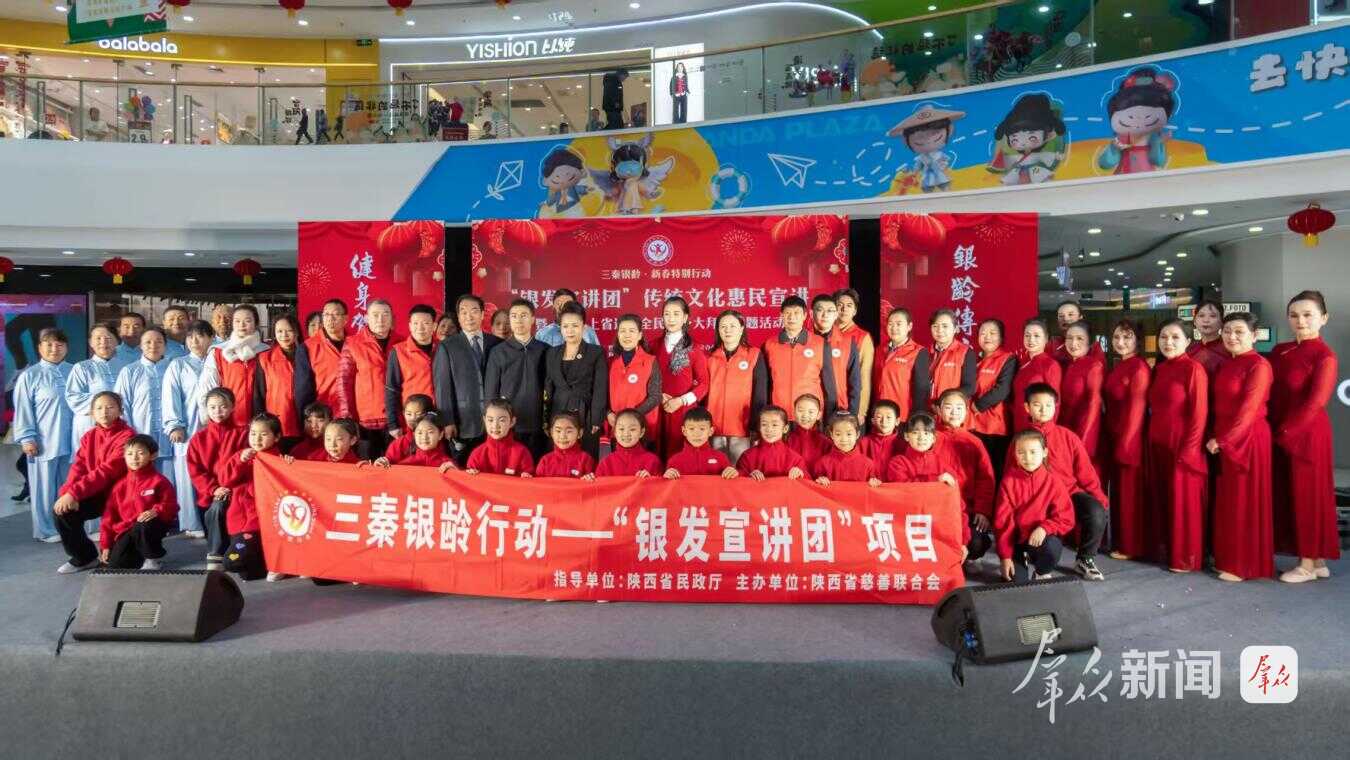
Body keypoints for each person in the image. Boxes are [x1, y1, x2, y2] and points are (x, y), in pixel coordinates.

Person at [1271, 291, 1339, 583]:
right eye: (1294, 315)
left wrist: (1286, 434)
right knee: (1290, 494)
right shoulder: (1281, 351)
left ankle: (1308, 564)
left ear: (1324, 318)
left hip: (1308, 433)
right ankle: (1318, 559)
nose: (1300, 321)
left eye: (1308, 315)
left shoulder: (1325, 356)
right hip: (1281, 430)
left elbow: (1316, 402)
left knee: (1309, 496)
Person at [1207, 312, 1274, 582]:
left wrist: (1223, 440)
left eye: (1239, 332)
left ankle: (1244, 565)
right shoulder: (1228, 364)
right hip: (1228, 438)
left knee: (1245, 502)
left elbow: (1249, 410)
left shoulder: (1259, 365)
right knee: (1229, 502)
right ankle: (1229, 559)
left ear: (1254, 336)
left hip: (1249, 439)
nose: (1231, 336)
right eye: (1227, 331)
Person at [1017, 383, 1108, 581]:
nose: (1043, 410)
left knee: (1096, 511)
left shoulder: (1068, 436)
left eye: (1048, 405)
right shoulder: (1021, 439)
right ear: (1027, 407)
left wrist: (1098, 496)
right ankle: (1027, 553)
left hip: (1068, 493)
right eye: (1037, 405)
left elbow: (1086, 471)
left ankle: (1085, 559)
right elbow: (1012, 474)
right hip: (1036, 497)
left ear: (1055, 407)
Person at [1147, 320, 1208, 572]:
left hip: (1182, 445)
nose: (1168, 342)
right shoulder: (1160, 369)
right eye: (1163, 337)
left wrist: (1189, 450)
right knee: (1165, 500)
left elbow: (1199, 414)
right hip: (1158, 444)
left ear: (1188, 341)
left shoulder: (1193, 369)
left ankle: (1186, 558)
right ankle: (1168, 550)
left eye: (1175, 337)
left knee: (1184, 503)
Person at [51, 392, 135, 574]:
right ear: (92, 413)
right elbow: (78, 467)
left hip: (120, 496)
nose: (104, 412)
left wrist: (75, 493)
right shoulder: (89, 436)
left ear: (120, 410)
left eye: (110, 407)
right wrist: (68, 493)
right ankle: (84, 557)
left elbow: (106, 471)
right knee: (63, 512)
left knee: (117, 563)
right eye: (99, 408)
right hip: (95, 492)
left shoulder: (128, 437)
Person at [13, 328, 73, 542]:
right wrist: (27, 438)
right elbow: (23, 409)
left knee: (69, 486)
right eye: (49, 344)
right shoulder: (30, 375)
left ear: (66, 348)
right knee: (43, 488)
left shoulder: (75, 371)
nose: (54, 349)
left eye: (59, 345)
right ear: (39, 348)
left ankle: (68, 526)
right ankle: (46, 530)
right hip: (44, 442)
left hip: (73, 442)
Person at [995, 429, 1077, 582]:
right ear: (1015, 455)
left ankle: (1041, 572)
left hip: (1042, 540)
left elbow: (1066, 518)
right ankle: (1021, 560)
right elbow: (1003, 523)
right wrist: (1005, 556)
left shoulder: (1054, 482)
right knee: (1015, 583)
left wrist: (1045, 528)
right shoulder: (1008, 482)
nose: (1027, 458)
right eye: (1021, 452)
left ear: (1044, 452)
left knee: (1052, 548)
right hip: (1016, 542)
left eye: (1033, 452)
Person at [1102, 319, 1151, 563]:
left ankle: (1132, 545)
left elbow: (1136, 411)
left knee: (1131, 496)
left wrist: (1126, 444)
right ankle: (1122, 541)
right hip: (1114, 436)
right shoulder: (1119, 366)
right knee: (1120, 495)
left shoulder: (1139, 368)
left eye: (1127, 337)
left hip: (1130, 440)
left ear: (1138, 341)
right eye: (1116, 337)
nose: (1120, 342)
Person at [434, 294, 503, 464]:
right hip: (463, 420)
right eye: (463, 312)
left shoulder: (497, 343)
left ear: (482, 314)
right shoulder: (447, 346)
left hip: (495, 421)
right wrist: (448, 421)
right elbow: (443, 388)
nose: (469, 317)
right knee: (464, 468)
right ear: (458, 317)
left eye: (474, 311)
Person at [216, 413, 284, 581]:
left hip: (260, 526)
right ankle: (264, 561)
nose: (257, 439)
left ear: (277, 437)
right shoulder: (241, 455)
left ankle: (276, 561)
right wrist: (239, 461)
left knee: (231, 561)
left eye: (263, 434)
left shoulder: (279, 460)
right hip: (237, 524)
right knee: (247, 573)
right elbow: (224, 480)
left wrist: (286, 463)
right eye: (253, 433)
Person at [163, 320, 215, 535]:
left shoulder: (217, 361)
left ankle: (214, 522)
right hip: (188, 428)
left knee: (213, 474)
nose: (194, 341)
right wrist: (175, 425)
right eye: (190, 337)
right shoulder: (178, 364)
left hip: (213, 428)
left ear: (211, 338)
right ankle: (191, 524)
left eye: (200, 336)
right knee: (187, 476)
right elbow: (170, 397)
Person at [97, 434, 178, 571]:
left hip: (150, 526)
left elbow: (172, 505)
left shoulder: (159, 481)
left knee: (144, 524)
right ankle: (139, 555)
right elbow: (108, 517)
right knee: (115, 564)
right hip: (127, 529)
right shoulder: (119, 486)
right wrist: (106, 545)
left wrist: (156, 511)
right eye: (129, 454)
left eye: (140, 453)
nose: (134, 458)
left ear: (152, 455)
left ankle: (152, 558)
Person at [755, 296, 837, 425]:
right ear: (781, 315)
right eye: (787, 313)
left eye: (796, 313)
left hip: (809, 415)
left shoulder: (820, 344)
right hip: (779, 415)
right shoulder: (769, 345)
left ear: (805, 315)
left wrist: (830, 417)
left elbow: (829, 384)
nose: (791, 317)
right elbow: (764, 385)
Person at [188, 388, 246, 570]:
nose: (217, 411)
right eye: (212, 407)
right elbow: (195, 471)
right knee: (216, 506)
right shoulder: (198, 439)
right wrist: (214, 489)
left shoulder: (243, 434)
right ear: (206, 409)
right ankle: (216, 553)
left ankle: (218, 555)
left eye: (223, 406)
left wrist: (229, 487)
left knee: (221, 506)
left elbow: (247, 466)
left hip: (236, 491)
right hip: (210, 495)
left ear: (233, 407)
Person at [935, 391, 996, 561]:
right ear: (939, 410)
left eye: (959, 408)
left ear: (966, 411)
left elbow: (986, 479)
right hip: (936, 506)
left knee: (976, 543)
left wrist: (982, 510)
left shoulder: (974, 442)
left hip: (966, 509)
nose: (954, 412)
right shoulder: (929, 437)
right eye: (948, 407)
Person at [485, 298, 550, 458]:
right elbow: (491, 392)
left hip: (538, 425)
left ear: (533, 319)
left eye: (523, 315)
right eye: (514, 316)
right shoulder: (498, 352)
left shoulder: (545, 350)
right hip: (508, 426)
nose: (518, 320)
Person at [545, 302, 609, 459]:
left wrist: (596, 419)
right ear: (560, 328)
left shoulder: (595, 352)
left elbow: (600, 388)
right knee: (558, 458)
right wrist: (545, 419)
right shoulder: (552, 353)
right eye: (565, 326)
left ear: (584, 327)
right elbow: (548, 387)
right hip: (557, 412)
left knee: (585, 457)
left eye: (575, 325)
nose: (570, 330)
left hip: (585, 413)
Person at [114, 328, 175, 489]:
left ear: (165, 345)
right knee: (141, 484)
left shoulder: (173, 368)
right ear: (140, 345)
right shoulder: (129, 371)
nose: (153, 345)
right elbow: (122, 407)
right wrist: (130, 436)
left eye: (159, 341)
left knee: (169, 483)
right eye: (148, 342)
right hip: (140, 436)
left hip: (170, 438)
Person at [337, 299, 396, 459]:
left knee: (395, 466)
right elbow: (344, 381)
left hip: (395, 419)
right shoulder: (353, 343)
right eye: (375, 315)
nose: (380, 319)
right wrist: (347, 416)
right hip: (365, 420)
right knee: (367, 467)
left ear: (392, 318)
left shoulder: (401, 342)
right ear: (366, 318)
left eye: (385, 314)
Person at [193, 304, 269, 426]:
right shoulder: (219, 352)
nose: (242, 325)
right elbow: (207, 387)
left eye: (247, 321)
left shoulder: (266, 351)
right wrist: (208, 417)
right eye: (237, 321)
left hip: (260, 420)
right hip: (227, 418)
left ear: (256, 323)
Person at [652, 296, 708, 460]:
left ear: (685, 318)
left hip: (684, 411)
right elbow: (645, 378)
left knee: (681, 458)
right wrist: (657, 395)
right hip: (657, 408)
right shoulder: (652, 346)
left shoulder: (695, 348)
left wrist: (681, 401)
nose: (671, 318)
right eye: (667, 314)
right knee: (656, 455)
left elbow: (704, 384)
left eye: (676, 314)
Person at [706, 310, 758, 463]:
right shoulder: (709, 357)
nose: (727, 330)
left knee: (740, 470)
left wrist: (754, 425)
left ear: (741, 329)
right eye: (723, 326)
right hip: (713, 428)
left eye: (732, 326)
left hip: (742, 428)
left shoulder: (754, 355)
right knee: (715, 471)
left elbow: (759, 393)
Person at [969, 318, 1017, 479]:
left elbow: (1002, 389)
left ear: (1001, 337)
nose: (987, 337)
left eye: (992, 333)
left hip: (995, 426)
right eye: (983, 333)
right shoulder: (975, 360)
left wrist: (977, 406)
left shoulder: (1008, 359)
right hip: (973, 424)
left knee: (993, 470)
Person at [385, 304, 440, 442]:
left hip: (440, 417)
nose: (420, 328)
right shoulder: (398, 351)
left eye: (426, 323)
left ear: (434, 326)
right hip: (412, 419)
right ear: (409, 326)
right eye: (415, 323)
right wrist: (393, 423)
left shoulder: (443, 348)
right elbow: (392, 389)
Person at [607, 313, 662, 447]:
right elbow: (602, 394)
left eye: (631, 331)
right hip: (618, 428)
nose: (627, 335)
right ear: (618, 334)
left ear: (639, 335)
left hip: (643, 427)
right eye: (623, 331)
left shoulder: (650, 361)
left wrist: (631, 417)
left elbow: (655, 396)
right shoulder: (610, 362)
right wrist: (608, 413)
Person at [65, 324, 120, 453]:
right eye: (98, 338)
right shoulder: (82, 367)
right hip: (89, 425)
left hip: (119, 426)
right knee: (90, 459)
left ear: (117, 341)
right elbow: (73, 397)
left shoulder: (126, 367)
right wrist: (106, 402)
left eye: (108, 338)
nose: (103, 342)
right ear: (90, 342)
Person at [1058, 321, 1105, 461]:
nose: (1073, 343)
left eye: (1080, 338)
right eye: (1069, 338)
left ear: (1089, 343)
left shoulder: (1094, 366)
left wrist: (1084, 443)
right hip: (1063, 430)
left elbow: (1094, 405)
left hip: (1083, 433)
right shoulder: (1064, 365)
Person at [295, 298, 349, 418]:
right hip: (324, 416)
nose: (330, 319)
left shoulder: (355, 344)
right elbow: (303, 390)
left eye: (335, 314)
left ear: (346, 319)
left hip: (353, 416)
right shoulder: (308, 347)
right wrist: (308, 419)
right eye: (326, 315)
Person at [810, 294, 862, 419]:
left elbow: (855, 382)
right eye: (820, 310)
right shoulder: (803, 342)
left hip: (839, 409)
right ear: (811, 313)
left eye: (830, 311)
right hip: (809, 409)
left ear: (836, 314)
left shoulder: (848, 343)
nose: (825, 315)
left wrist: (852, 413)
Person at [873, 307, 929, 421]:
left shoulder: (918, 351)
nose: (894, 328)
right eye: (890, 324)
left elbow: (921, 389)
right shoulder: (879, 349)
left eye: (899, 324)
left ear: (909, 326)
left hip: (902, 415)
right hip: (880, 414)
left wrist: (916, 416)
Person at [255, 314, 302, 446]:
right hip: (276, 420)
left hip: (303, 419)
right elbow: (259, 393)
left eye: (289, 330)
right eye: (279, 331)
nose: (284, 335)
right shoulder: (265, 358)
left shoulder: (307, 355)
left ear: (297, 332)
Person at [454, 399, 534, 476]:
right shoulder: (477, 454)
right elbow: (469, 481)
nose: (495, 426)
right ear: (484, 420)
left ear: (512, 422)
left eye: (502, 420)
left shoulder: (522, 453)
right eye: (490, 420)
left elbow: (530, 481)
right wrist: (472, 475)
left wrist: (526, 477)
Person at [833, 288, 876, 425]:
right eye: (839, 305)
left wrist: (861, 410)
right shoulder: (824, 333)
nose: (844, 309)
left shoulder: (862, 337)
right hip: (826, 403)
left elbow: (864, 376)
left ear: (855, 311)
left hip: (850, 405)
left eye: (849, 305)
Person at [1012, 319, 1062, 432]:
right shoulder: (1021, 362)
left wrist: (1046, 431)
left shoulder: (1050, 365)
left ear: (1046, 339)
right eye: (1027, 335)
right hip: (1018, 421)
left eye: (1036, 336)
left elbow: (1055, 402)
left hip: (1038, 426)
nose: (1031, 340)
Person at [736, 405, 807, 479]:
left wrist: (799, 474)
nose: (769, 429)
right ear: (759, 427)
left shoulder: (795, 460)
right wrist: (749, 476)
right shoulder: (747, 456)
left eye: (774, 425)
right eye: (764, 424)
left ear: (785, 429)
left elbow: (808, 483)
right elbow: (738, 480)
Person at [663, 408, 736, 479]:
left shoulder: (721, 458)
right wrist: (667, 477)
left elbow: (730, 483)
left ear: (711, 431)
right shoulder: (674, 461)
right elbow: (668, 486)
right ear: (684, 431)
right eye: (691, 429)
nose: (697, 434)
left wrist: (731, 473)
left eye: (702, 429)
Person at [812, 414, 881, 486]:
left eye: (849, 434)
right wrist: (820, 480)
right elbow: (813, 488)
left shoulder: (868, 465)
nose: (844, 439)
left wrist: (874, 483)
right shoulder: (822, 464)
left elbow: (875, 489)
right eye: (838, 434)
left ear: (857, 434)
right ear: (832, 435)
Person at [370, 412, 452, 469]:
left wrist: (455, 472)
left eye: (430, 432)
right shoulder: (405, 464)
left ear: (441, 435)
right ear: (414, 435)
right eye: (419, 433)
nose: (424, 437)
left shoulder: (448, 465)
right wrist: (380, 466)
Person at [596, 409, 664, 477]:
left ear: (641, 432)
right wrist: (591, 480)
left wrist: (650, 480)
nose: (626, 434)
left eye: (632, 429)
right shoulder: (605, 463)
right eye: (621, 429)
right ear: (615, 432)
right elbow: (598, 483)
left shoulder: (653, 461)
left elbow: (661, 483)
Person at [927, 309, 977, 402]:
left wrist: (944, 403)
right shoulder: (924, 352)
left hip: (950, 407)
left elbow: (969, 387)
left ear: (955, 329)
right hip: (926, 407)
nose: (940, 330)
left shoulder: (966, 352)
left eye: (945, 326)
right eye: (935, 326)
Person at [535, 412, 597, 480]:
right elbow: (537, 484)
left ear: (580, 433)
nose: (563, 436)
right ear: (552, 432)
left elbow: (593, 483)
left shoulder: (586, 460)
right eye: (558, 431)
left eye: (569, 431)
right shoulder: (545, 461)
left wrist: (588, 479)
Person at [535, 289, 600, 347]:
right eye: (559, 303)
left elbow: (596, 353)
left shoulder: (588, 332)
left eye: (567, 304)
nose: (563, 307)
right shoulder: (542, 334)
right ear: (553, 306)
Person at [382, 395, 436, 463]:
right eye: (409, 414)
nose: (413, 418)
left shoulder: (436, 440)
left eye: (418, 414)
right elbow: (387, 462)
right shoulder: (399, 444)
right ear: (403, 413)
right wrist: (383, 461)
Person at [1050, 301, 1104, 365]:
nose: (1065, 319)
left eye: (1070, 314)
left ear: (1080, 317)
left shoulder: (1093, 345)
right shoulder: (1053, 344)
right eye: (1061, 316)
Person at [1186, 300, 1228, 378]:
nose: (1206, 320)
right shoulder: (1189, 349)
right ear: (1194, 321)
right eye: (1201, 315)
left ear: (1221, 322)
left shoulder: (1229, 349)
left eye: (1213, 316)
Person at [859, 399, 902, 473]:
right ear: (873, 421)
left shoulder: (902, 443)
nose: (884, 421)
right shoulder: (864, 442)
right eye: (879, 417)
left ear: (897, 421)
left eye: (888, 417)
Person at [786, 394, 832, 463]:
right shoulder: (788, 440)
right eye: (800, 410)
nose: (805, 415)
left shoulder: (826, 442)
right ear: (794, 413)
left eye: (811, 412)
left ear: (819, 415)